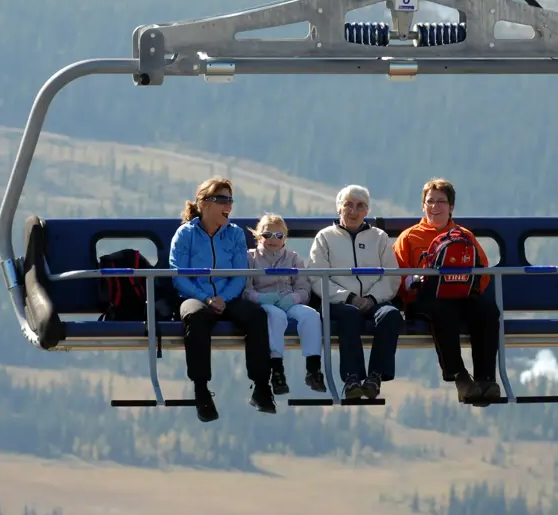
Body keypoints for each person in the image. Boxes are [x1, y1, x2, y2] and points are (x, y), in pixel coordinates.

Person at [168, 176, 276, 422]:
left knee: (256, 316)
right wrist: (207, 299)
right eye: (222, 200)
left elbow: (239, 275)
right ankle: (201, 390)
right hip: (196, 296)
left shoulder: (235, 234)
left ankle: (261, 387)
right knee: (194, 318)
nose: (228, 205)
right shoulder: (185, 234)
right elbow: (179, 276)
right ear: (204, 203)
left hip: (227, 296)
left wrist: (223, 299)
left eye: (230, 200)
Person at [393, 177, 502, 407]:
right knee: (442, 310)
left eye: (441, 202)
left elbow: (482, 270)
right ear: (423, 206)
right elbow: (396, 276)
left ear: (451, 207)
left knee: (487, 310)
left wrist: (472, 288)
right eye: (430, 202)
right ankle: (460, 376)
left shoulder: (464, 237)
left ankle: (485, 379)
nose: (435, 207)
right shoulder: (410, 237)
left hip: (461, 297)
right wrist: (415, 282)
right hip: (424, 301)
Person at [309, 184, 402, 400]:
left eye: (360, 206)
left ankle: (375, 377)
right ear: (338, 208)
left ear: (367, 211)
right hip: (340, 302)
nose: (353, 211)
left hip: (374, 300)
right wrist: (349, 297)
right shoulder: (325, 237)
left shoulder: (379, 237)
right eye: (348, 205)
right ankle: (352, 379)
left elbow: (391, 275)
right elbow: (316, 277)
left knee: (391, 315)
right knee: (349, 314)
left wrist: (371, 298)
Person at [243, 213, 327, 395]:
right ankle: (277, 368)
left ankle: (313, 368)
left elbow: (304, 288)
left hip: (288, 300)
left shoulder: (293, 258)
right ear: (259, 236)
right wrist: (260, 298)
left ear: (285, 238)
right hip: (266, 302)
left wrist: (294, 298)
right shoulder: (250, 258)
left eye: (278, 236)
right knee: (276, 316)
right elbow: (245, 289)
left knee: (311, 315)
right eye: (267, 235)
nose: (273, 240)